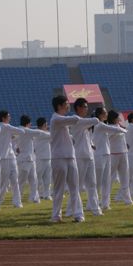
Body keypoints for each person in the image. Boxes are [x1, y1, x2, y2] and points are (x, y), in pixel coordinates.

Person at [49, 95, 98, 223]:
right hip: (59, 157)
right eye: (66, 104)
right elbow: (75, 119)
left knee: (75, 187)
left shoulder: (63, 121)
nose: (68, 106)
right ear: (59, 106)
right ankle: (56, 216)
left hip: (70, 156)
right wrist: (93, 119)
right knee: (59, 189)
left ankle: (78, 214)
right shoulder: (56, 119)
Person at [71, 98, 102, 216]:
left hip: (89, 155)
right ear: (78, 108)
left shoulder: (84, 122)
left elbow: (87, 137)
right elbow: (96, 120)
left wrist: (91, 145)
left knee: (92, 184)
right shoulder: (76, 120)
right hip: (79, 155)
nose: (86, 109)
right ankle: (71, 209)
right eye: (84, 107)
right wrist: (95, 116)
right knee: (78, 185)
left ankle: (95, 209)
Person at [93, 108, 126, 210]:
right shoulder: (99, 125)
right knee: (98, 182)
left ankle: (105, 203)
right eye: (104, 113)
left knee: (106, 181)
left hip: (107, 154)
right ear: (100, 115)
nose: (106, 114)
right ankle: (94, 203)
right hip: (99, 155)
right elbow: (115, 129)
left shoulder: (104, 125)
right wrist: (124, 129)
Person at [16, 115, 47, 204]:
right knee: (22, 180)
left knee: (34, 180)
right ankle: (18, 198)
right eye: (30, 123)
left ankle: (34, 198)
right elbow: (38, 132)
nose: (30, 125)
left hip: (30, 158)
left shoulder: (22, 130)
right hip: (24, 159)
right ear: (27, 123)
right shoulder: (24, 130)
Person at [0, 110, 25, 208]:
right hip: (4, 158)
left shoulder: (1, 128)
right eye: (8, 116)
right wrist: (14, 135)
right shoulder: (6, 126)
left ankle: (17, 202)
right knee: (5, 181)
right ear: (3, 118)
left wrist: (12, 136)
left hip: (10, 156)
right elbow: (21, 131)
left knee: (13, 180)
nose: (10, 117)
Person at [107, 110, 132, 206]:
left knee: (125, 178)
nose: (119, 119)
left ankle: (127, 200)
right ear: (113, 118)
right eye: (117, 117)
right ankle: (105, 200)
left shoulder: (119, 127)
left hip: (123, 153)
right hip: (113, 154)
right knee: (110, 178)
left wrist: (126, 145)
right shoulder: (109, 127)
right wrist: (121, 129)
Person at [33, 118, 52, 200]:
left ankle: (47, 194)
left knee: (47, 178)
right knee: (39, 177)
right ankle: (38, 194)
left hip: (47, 157)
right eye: (46, 124)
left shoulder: (45, 133)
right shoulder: (39, 132)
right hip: (40, 158)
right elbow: (52, 135)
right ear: (44, 125)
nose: (47, 126)